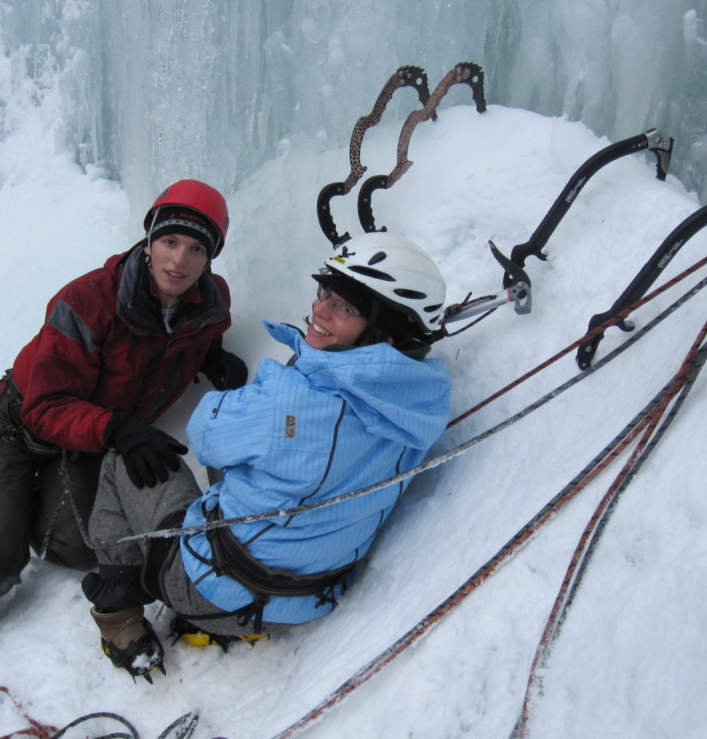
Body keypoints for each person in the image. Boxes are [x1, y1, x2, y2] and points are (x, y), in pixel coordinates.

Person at [0, 179, 249, 685]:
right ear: (149, 241)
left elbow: (182, 337)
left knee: (83, 549)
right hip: (19, 427)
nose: (179, 261)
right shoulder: (88, 301)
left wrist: (209, 355)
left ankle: (25, 513)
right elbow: (42, 408)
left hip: (90, 438)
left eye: (196, 249)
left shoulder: (210, 303)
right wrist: (119, 428)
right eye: (169, 242)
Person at [79, 232, 452, 682]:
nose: (320, 310)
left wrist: (271, 391)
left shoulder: (288, 406)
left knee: (127, 457)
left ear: (385, 334)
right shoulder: (425, 398)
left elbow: (206, 433)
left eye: (345, 307)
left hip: (213, 593)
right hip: (306, 597)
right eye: (325, 294)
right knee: (268, 465)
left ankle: (119, 619)